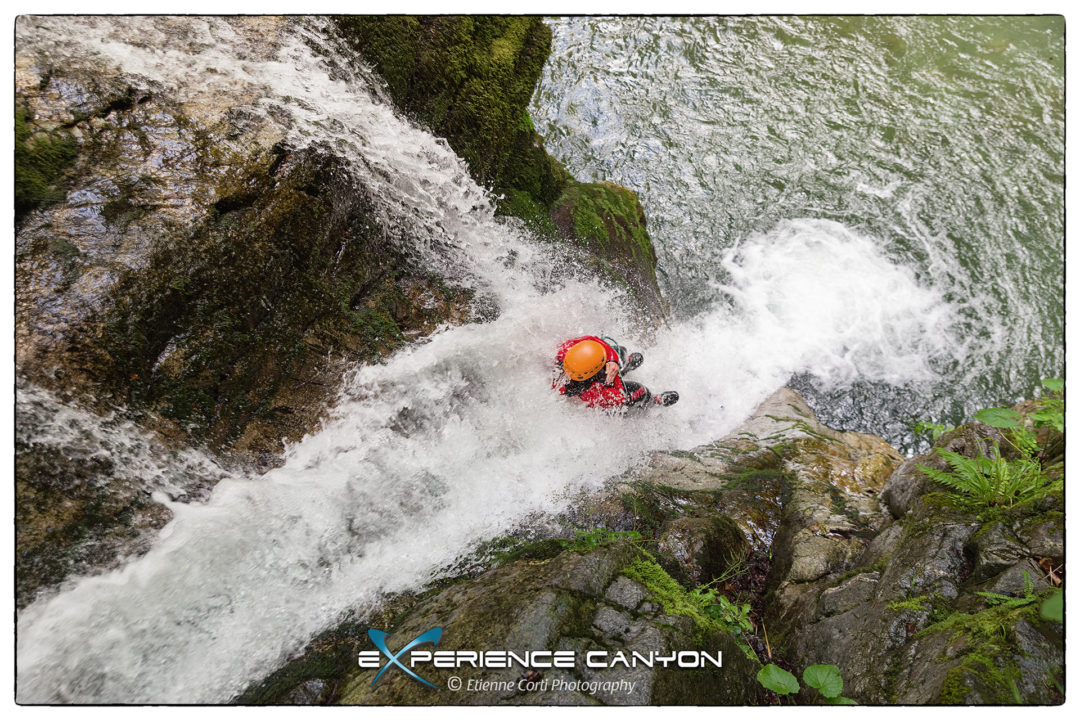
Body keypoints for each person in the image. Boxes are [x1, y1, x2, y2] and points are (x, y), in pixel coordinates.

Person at [552, 335, 678, 411]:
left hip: (595, 381)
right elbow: (620, 397)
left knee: (619, 351)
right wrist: (613, 373)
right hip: (609, 402)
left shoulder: (564, 352)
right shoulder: (601, 393)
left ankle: (626, 366)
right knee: (641, 391)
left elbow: (593, 339)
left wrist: (612, 360)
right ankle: (656, 400)